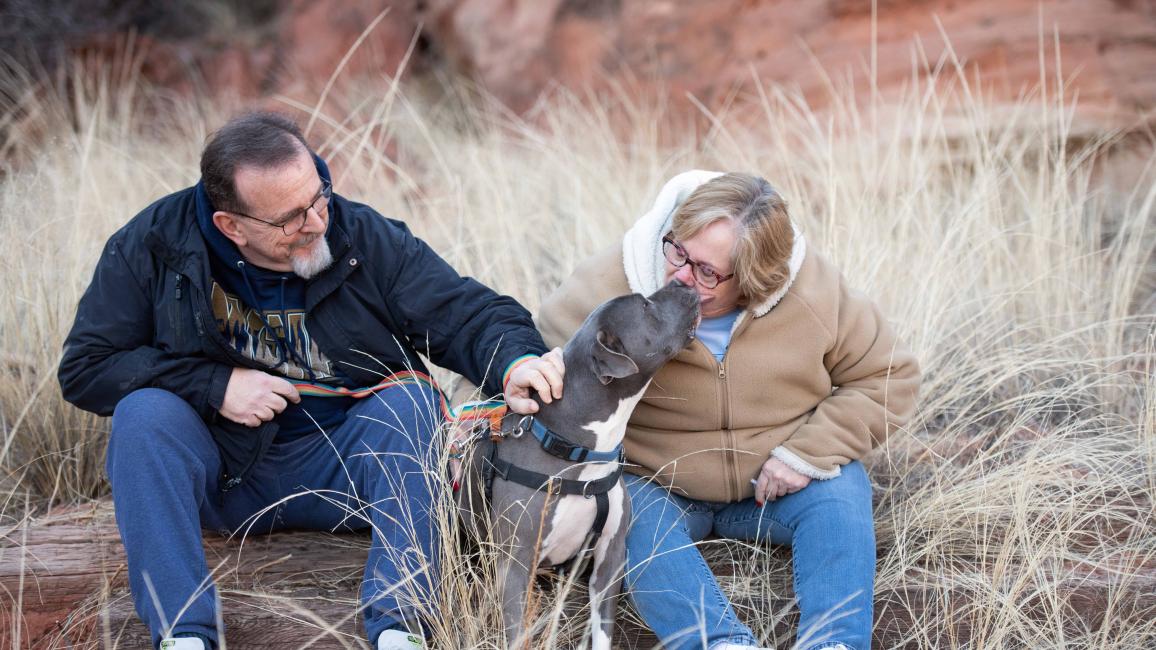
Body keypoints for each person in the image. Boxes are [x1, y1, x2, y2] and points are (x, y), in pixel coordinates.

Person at [57, 112, 564, 650]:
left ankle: (402, 627)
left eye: (319, 194)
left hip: (346, 473)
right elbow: (87, 367)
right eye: (290, 218)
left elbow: (470, 313)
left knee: (410, 400)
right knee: (143, 417)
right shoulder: (155, 245)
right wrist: (215, 385)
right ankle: (185, 634)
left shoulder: (360, 234)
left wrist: (516, 362)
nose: (318, 222)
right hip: (225, 474)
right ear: (232, 225)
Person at [537, 170, 921, 650]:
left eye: (707, 273)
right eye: (678, 251)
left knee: (844, 487)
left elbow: (889, 376)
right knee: (622, 507)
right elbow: (516, 364)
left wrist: (806, 453)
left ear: (756, 280)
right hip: (657, 483)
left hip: (778, 485)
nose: (680, 275)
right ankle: (718, 643)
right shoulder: (610, 282)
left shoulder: (814, 291)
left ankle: (834, 642)